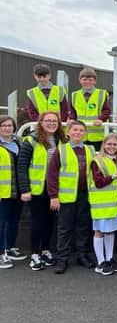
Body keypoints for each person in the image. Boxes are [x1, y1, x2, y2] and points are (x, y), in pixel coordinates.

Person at [17, 112, 65, 270]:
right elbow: (22, 167)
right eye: (48, 121)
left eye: (54, 121)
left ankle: (46, 250)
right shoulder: (31, 140)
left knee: (50, 221)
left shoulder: (62, 140)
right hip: (36, 189)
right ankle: (35, 254)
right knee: (37, 222)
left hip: (55, 189)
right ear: (41, 123)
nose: (51, 123)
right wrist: (24, 189)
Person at [47, 120, 96, 274]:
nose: (78, 133)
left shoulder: (90, 150)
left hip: (85, 195)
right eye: (75, 130)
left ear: (85, 133)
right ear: (68, 132)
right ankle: (62, 260)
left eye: (81, 130)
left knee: (83, 227)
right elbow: (52, 174)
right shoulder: (61, 150)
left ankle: (82, 255)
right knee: (64, 229)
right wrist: (53, 196)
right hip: (66, 196)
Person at [89, 133, 117, 276]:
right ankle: (100, 262)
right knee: (99, 231)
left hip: (113, 204)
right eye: (109, 144)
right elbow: (98, 182)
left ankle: (109, 258)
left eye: (115, 145)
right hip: (100, 203)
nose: (112, 147)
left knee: (110, 231)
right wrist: (116, 175)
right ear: (104, 145)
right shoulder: (97, 161)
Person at [0, 116, 26, 269]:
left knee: (14, 221)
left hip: (17, 190)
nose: (7, 128)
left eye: (9, 125)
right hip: (3, 192)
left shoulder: (19, 143)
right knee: (1, 223)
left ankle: (9, 248)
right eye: (3, 126)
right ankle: (1, 253)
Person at [69, 68, 111, 151]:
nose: (87, 82)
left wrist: (101, 119)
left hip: (97, 135)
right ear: (80, 80)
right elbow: (73, 111)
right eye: (85, 79)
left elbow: (106, 110)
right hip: (80, 134)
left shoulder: (102, 94)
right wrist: (71, 119)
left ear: (95, 81)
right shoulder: (75, 95)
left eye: (90, 80)